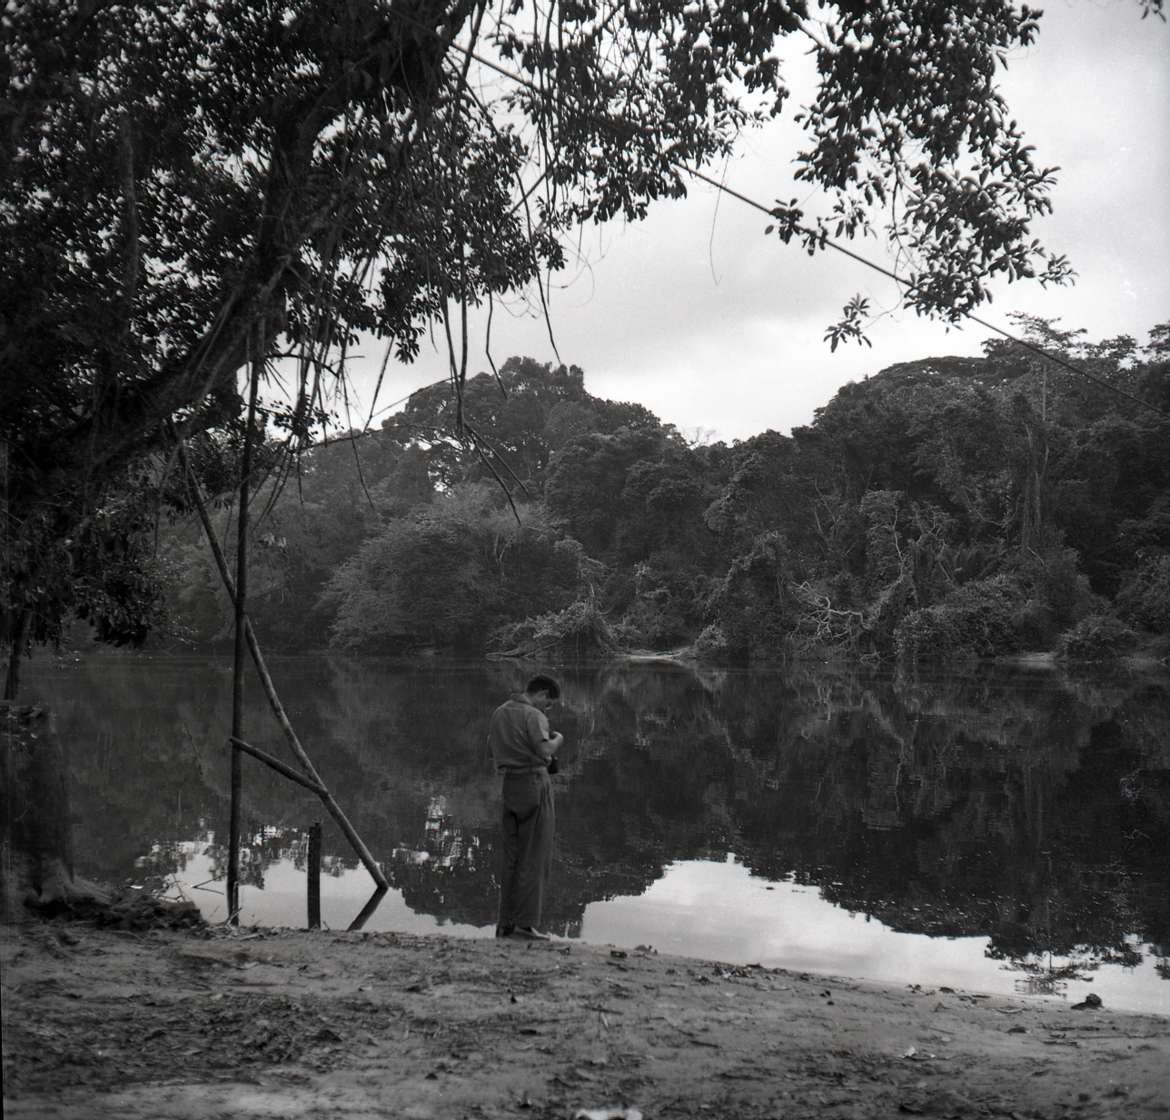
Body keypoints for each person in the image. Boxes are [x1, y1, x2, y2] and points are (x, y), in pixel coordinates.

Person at [487, 675, 563, 940]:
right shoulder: (533, 715)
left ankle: (505, 923)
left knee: (512, 856)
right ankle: (524, 924)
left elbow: (491, 749)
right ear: (541, 694)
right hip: (533, 783)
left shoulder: (499, 712)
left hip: (510, 785)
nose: (547, 709)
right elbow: (545, 751)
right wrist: (558, 739)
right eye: (548, 703)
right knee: (534, 854)